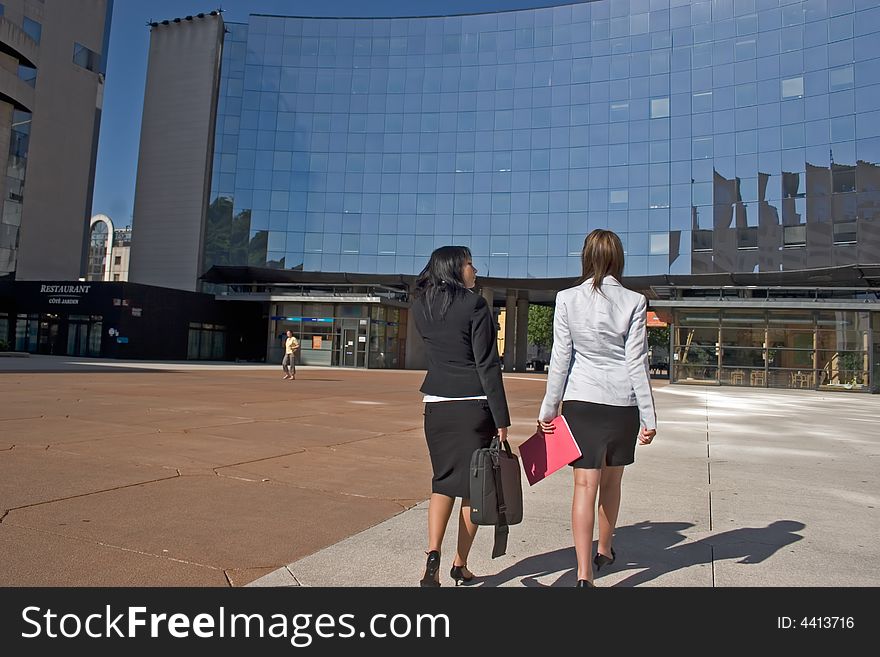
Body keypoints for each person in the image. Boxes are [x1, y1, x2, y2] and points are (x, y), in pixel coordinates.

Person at [537, 229, 657, 587]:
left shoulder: (567, 298)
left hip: (581, 402)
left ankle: (583, 574)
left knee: (583, 486)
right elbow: (638, 363)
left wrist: (548, 410)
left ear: (585, 257)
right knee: (613, 481)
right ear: (618, 258)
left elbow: (560, 359)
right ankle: (605, 549)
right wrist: (649, 417)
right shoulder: (634, 301)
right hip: (622, 404)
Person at [412, 245, 510, 587]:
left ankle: (432, 555)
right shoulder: (475, 305)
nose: (475, 269)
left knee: (442, 482)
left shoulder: (421, 306)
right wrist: (502, 419)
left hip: (436, 405)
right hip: (473, 405)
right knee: (472, 487)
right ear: (455, 268)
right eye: (469, 264)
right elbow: (487, 364)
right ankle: (459, 564)